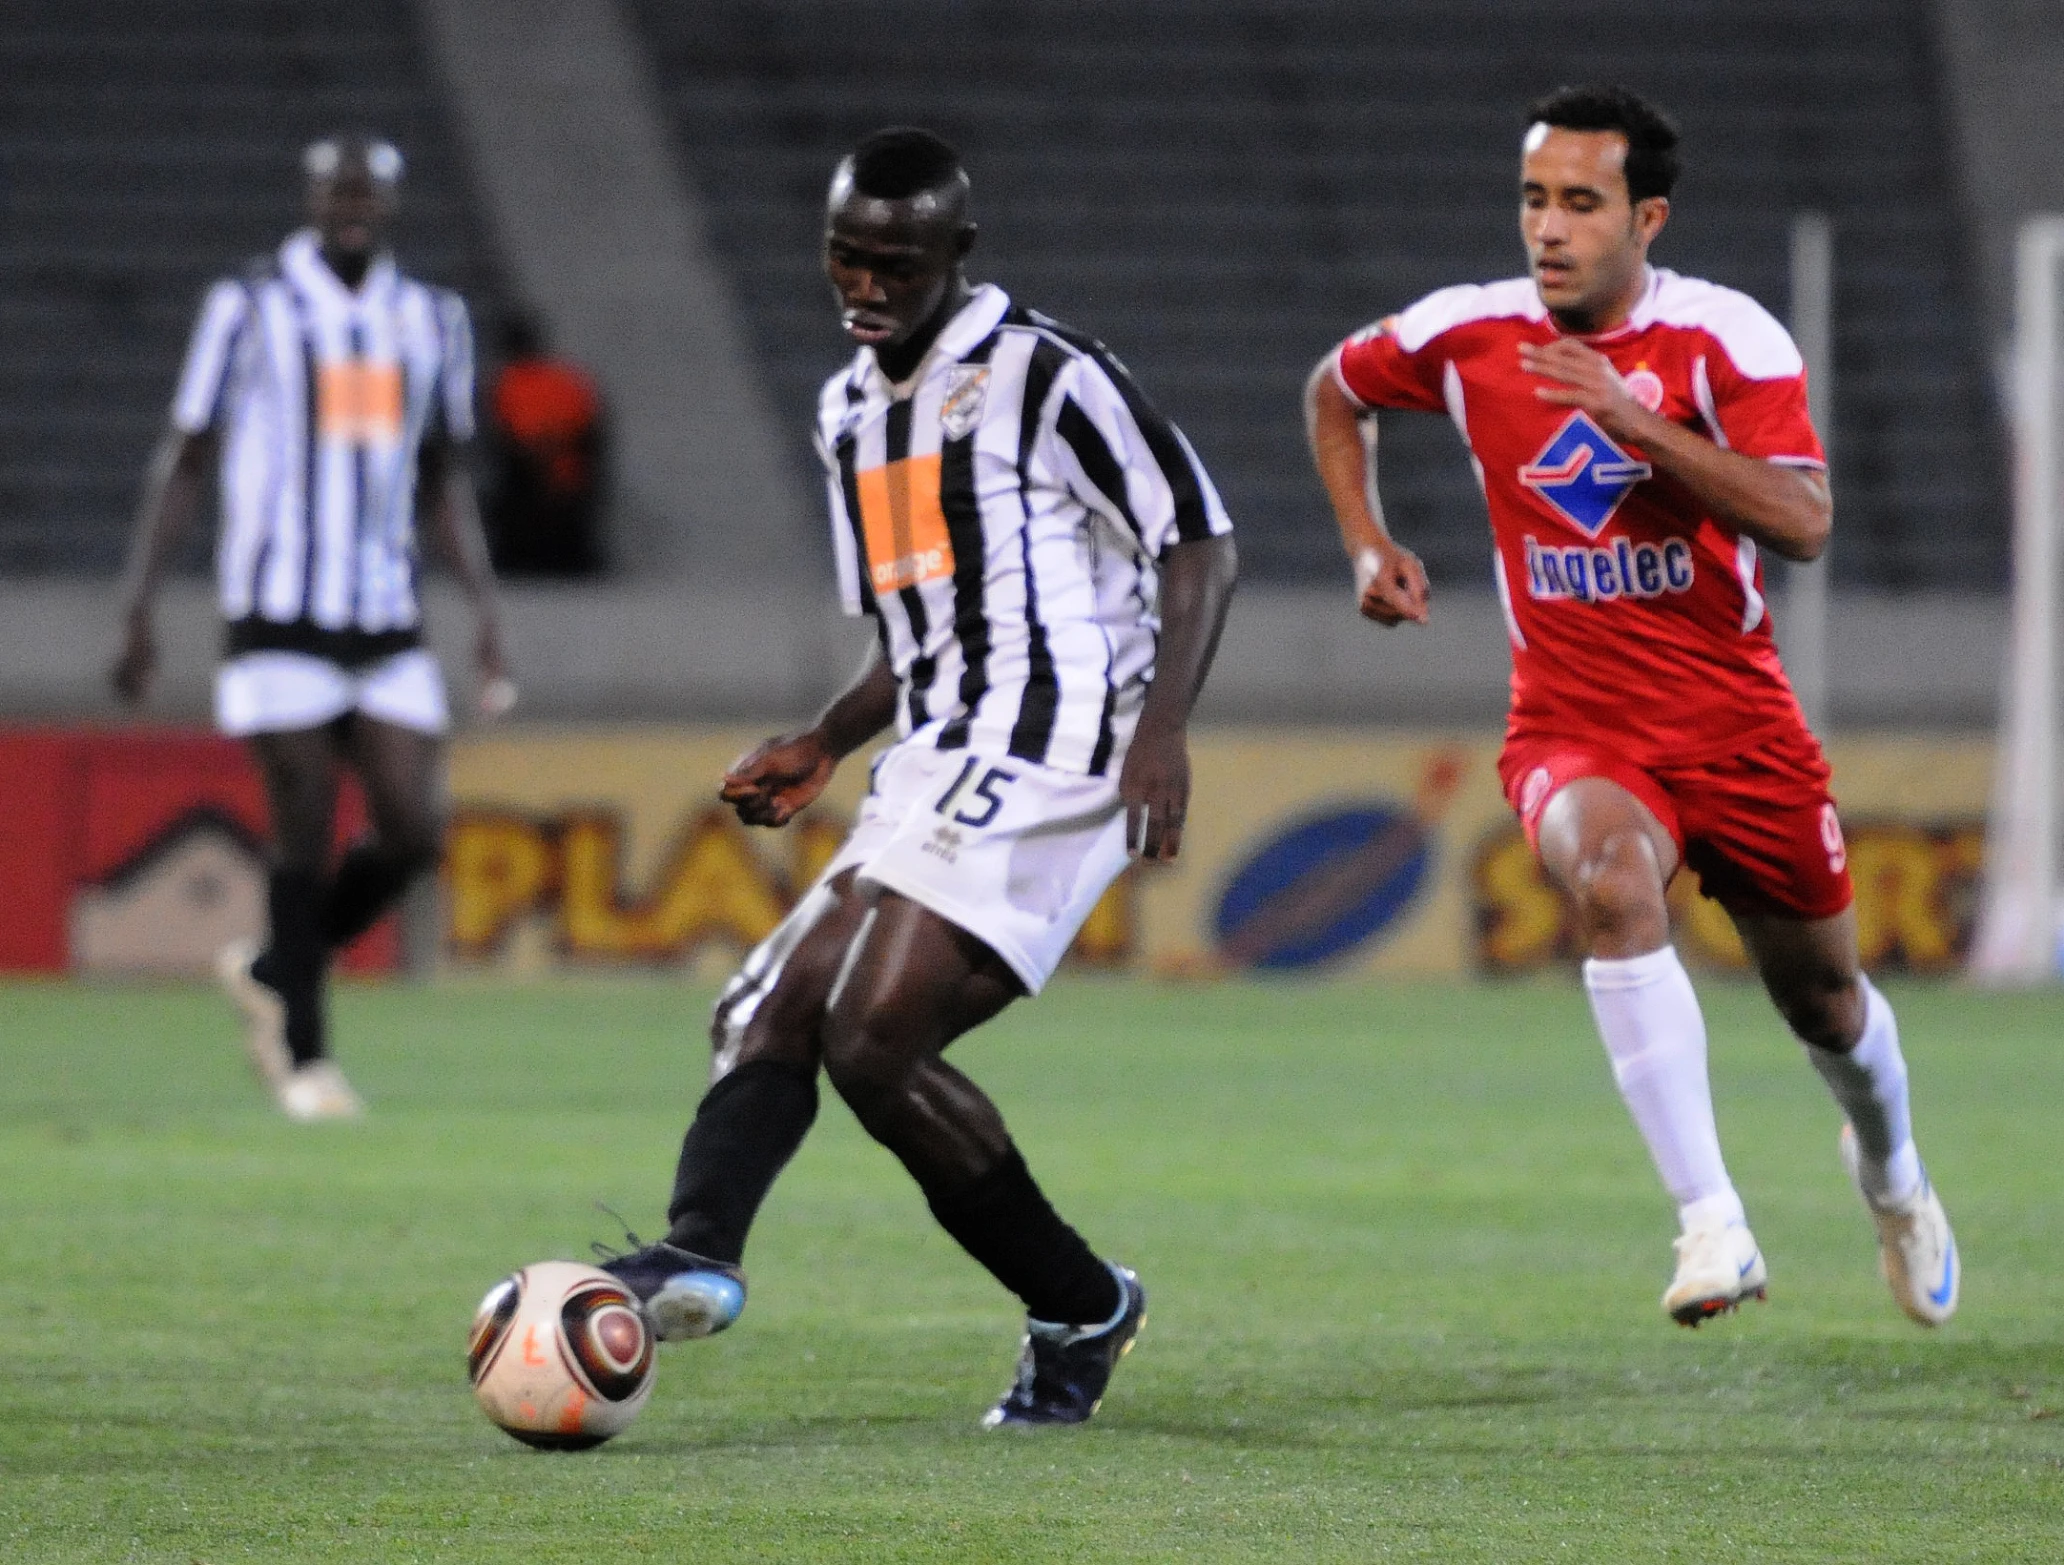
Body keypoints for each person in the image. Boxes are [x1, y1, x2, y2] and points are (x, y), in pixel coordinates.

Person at [595, 128, 1238, 1427]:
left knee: (873, 1033)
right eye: (846, 255)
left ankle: (1075, 1309)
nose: (865, 284)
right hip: (936, 752)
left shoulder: (1045, 374)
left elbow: (1197, 541)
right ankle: (710, 1252)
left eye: (894, 261)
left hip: (1065, 746)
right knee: (764, 1009)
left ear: (958, 254)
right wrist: (826, 739)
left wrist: (1163, 725)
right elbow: (914, 629)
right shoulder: (846, 412)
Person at [1303, 85, 1958, 1329]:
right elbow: (1332, 390)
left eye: (1580, 205)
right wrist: (1362, 543)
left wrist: (1633, 420)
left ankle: (1893, 1179)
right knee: (1609, 881)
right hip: (1575, 726)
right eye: (1532, 200)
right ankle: (1709, 1219)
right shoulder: (1464, 334)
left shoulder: (1727, 340)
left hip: (1737, 730)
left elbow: (1805, 520)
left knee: (1823, 1001)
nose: (1547, 229)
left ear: (1645, 217)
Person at [111, 134, 510, 1121]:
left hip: (384, 612)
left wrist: (488, 612)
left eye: (367, 190)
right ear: (309, 197)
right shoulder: (249, 307)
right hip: (275, 606)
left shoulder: (430, 320)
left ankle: (275, 965)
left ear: (391, 200)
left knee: (414, 830)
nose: (351, 205)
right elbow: (189, 455)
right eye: (336, 189)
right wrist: (139, 603)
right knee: (301, 821)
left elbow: (442, 480)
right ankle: (307, 1059)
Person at [482, 308, 607, 577]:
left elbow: (510, 437)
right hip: (571, 470)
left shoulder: (510, 381)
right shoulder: (569, 378)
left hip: (537, 474)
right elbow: (593, 426)